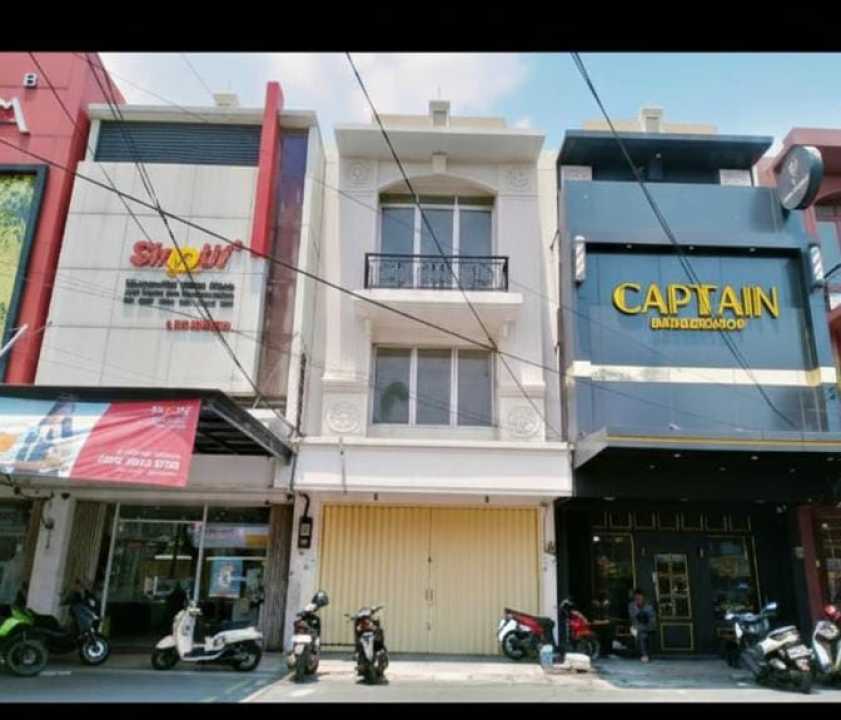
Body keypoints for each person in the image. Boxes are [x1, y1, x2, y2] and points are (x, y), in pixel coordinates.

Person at [628, 588, 656, 663]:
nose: (638, 598)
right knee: (641, 634)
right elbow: (633, 618)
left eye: (639, 597)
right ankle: (644, 655)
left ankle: (646, 655)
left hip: (648, 626)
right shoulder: (631, 605)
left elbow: (652, 618)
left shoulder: (648, 605)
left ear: (643, 597)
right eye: (636, 597)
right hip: (635, 627)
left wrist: (647, 625)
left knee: (644, 634)